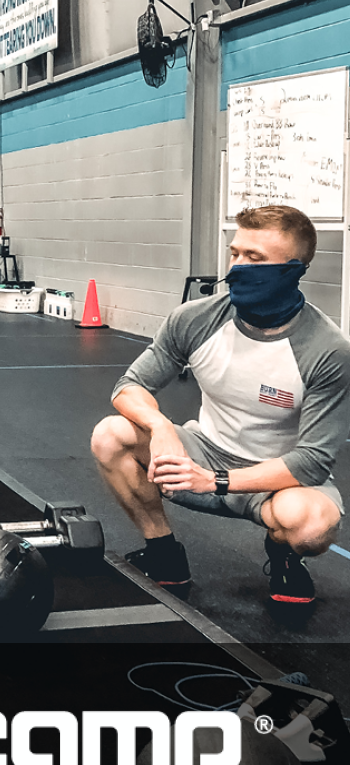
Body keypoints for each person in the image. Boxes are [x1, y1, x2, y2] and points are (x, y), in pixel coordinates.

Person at [91, 204, 348, 608]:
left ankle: (284, 555)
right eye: (235, 253)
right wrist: (160, 426)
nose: (238, 267)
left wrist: (216, 481)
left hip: (276, 479)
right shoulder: (196, 319)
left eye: (255, 258)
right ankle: (163, 553)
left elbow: (312, 462)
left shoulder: (327, 350)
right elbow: (130, 386)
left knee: (312, 525)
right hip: (203, 453)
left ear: (293, 270)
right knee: (110, 435)